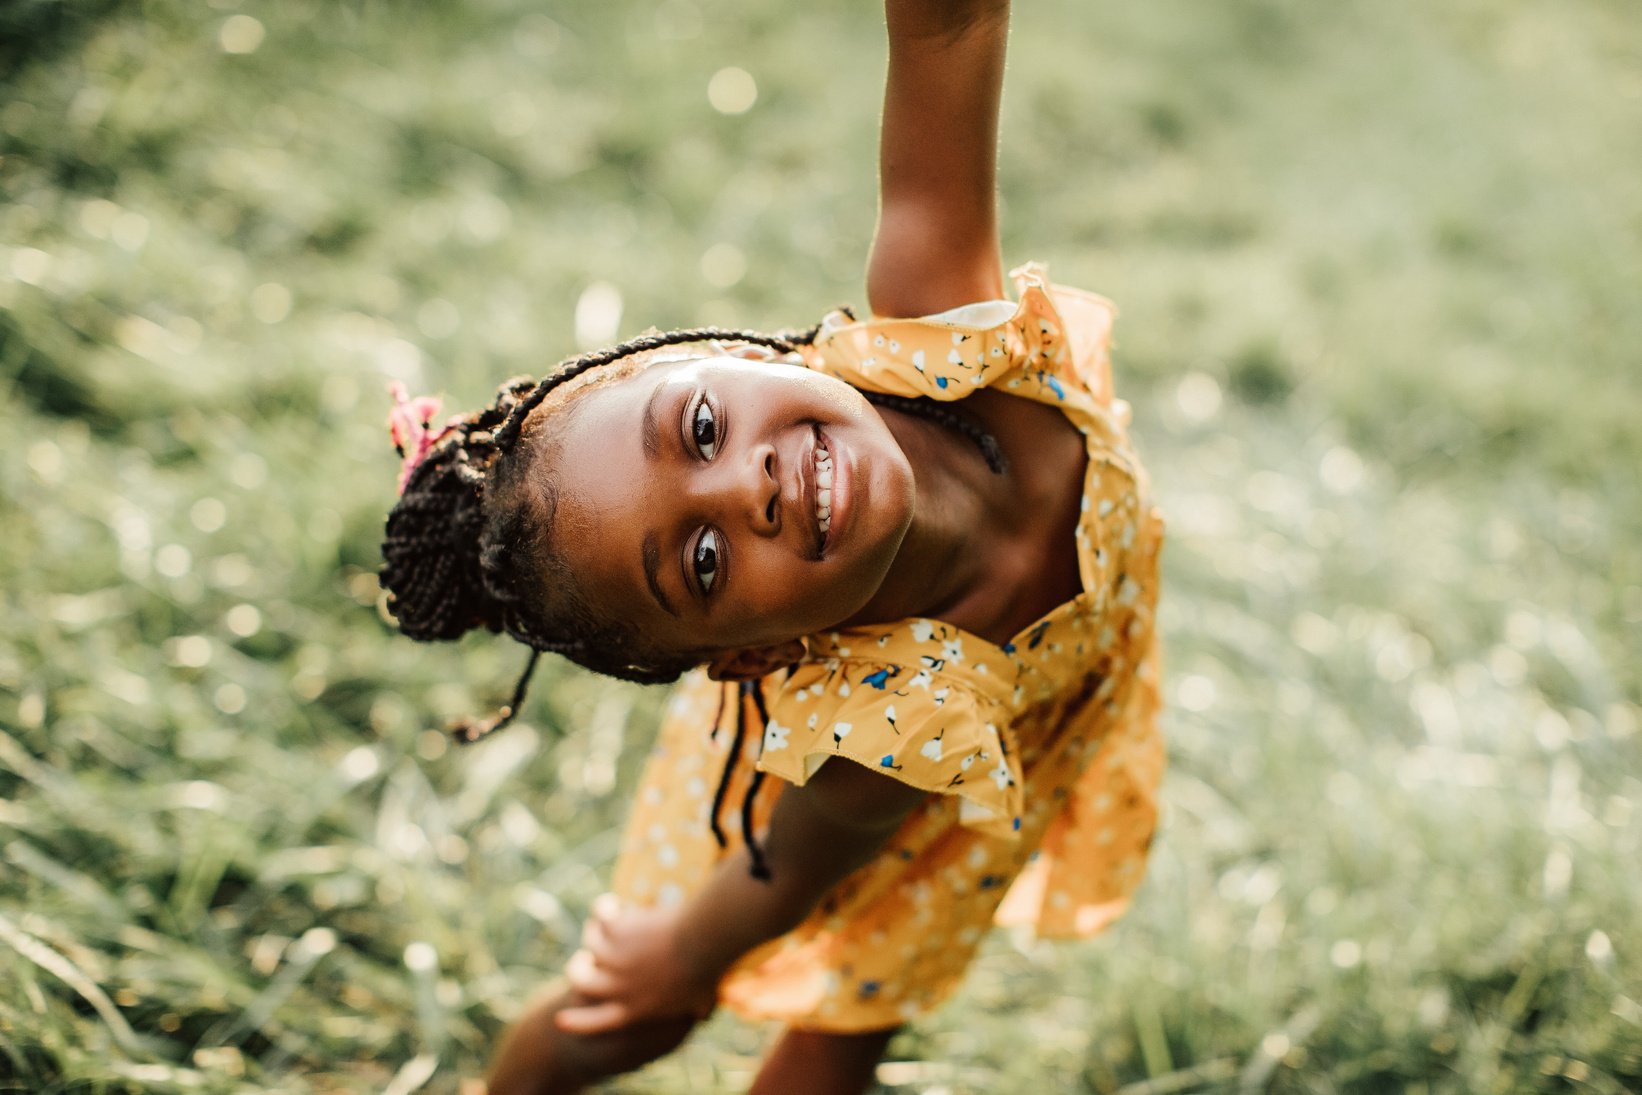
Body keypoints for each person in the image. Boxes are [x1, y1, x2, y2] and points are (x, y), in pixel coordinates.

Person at [380, 0, 1165, 1090]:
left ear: (728, 351)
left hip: (972, 792)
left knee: (854, 1018)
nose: (743, 486)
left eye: (701, 427)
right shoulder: (889, 722)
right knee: (640, 1015)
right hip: (781, 839)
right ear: (752, 658)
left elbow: (945, 34)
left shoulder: (950, 332)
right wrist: (682, 958)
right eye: (700, 563)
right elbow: (784, 878)